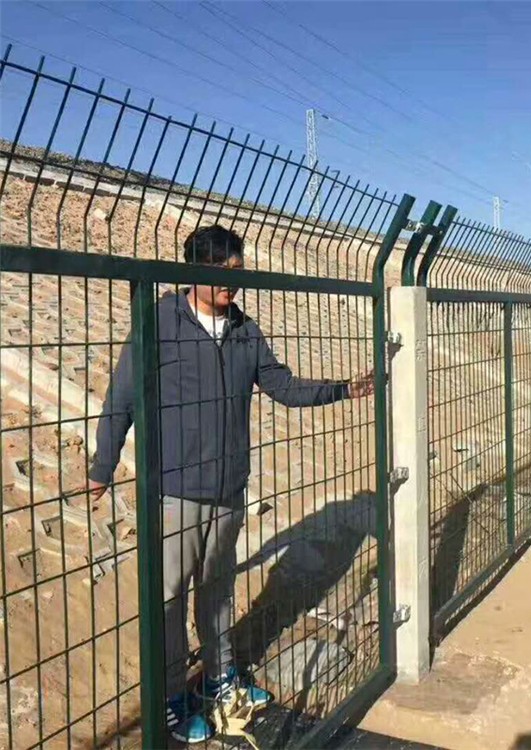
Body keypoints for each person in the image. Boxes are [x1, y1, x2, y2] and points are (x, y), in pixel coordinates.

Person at [86, 224, 374, 743]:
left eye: (236, 273)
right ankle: (171, 696)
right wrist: (102, 467)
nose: (230, 283)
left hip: (227, 487)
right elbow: (122, 396)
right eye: (220, 273)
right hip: (173, 489)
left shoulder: (244, 329)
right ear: (192, 270)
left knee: (217, 591)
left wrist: (342, 389)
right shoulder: (160, 322)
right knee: (168, 598)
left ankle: (221, 678)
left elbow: (282, 385)